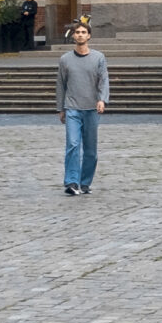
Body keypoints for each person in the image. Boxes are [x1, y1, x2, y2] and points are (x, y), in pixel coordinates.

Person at [57, 26, 109, 196]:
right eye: (77, 32)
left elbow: (103, 80)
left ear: (89, 36)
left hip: (91, 108)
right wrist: (60, 108)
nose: (80, 35)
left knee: (90, 149)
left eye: (83, 32)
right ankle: (71, 182)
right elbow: (61, 84)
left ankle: (85, 182)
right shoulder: (65, 59)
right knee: (72, 144)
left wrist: (102, 99)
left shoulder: (98, 58)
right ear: (73, 36)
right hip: (72, 108)